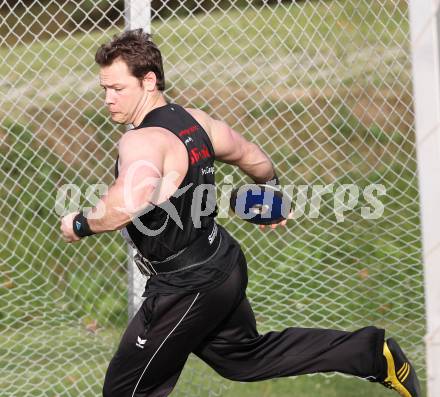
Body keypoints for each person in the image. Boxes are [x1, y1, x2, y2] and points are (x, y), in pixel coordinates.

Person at [60, 29, 421, 397]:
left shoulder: (141, 140)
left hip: (185, 286)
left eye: (117, 88)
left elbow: (126, 204)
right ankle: (374, 355)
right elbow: (251, 156)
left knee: (125, 392)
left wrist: (80, 223)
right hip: (222, 263)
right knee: (243, 357)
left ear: (148, 81)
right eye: (104, 88)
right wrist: (271, 191)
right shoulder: (195, 120)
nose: (107, 99)